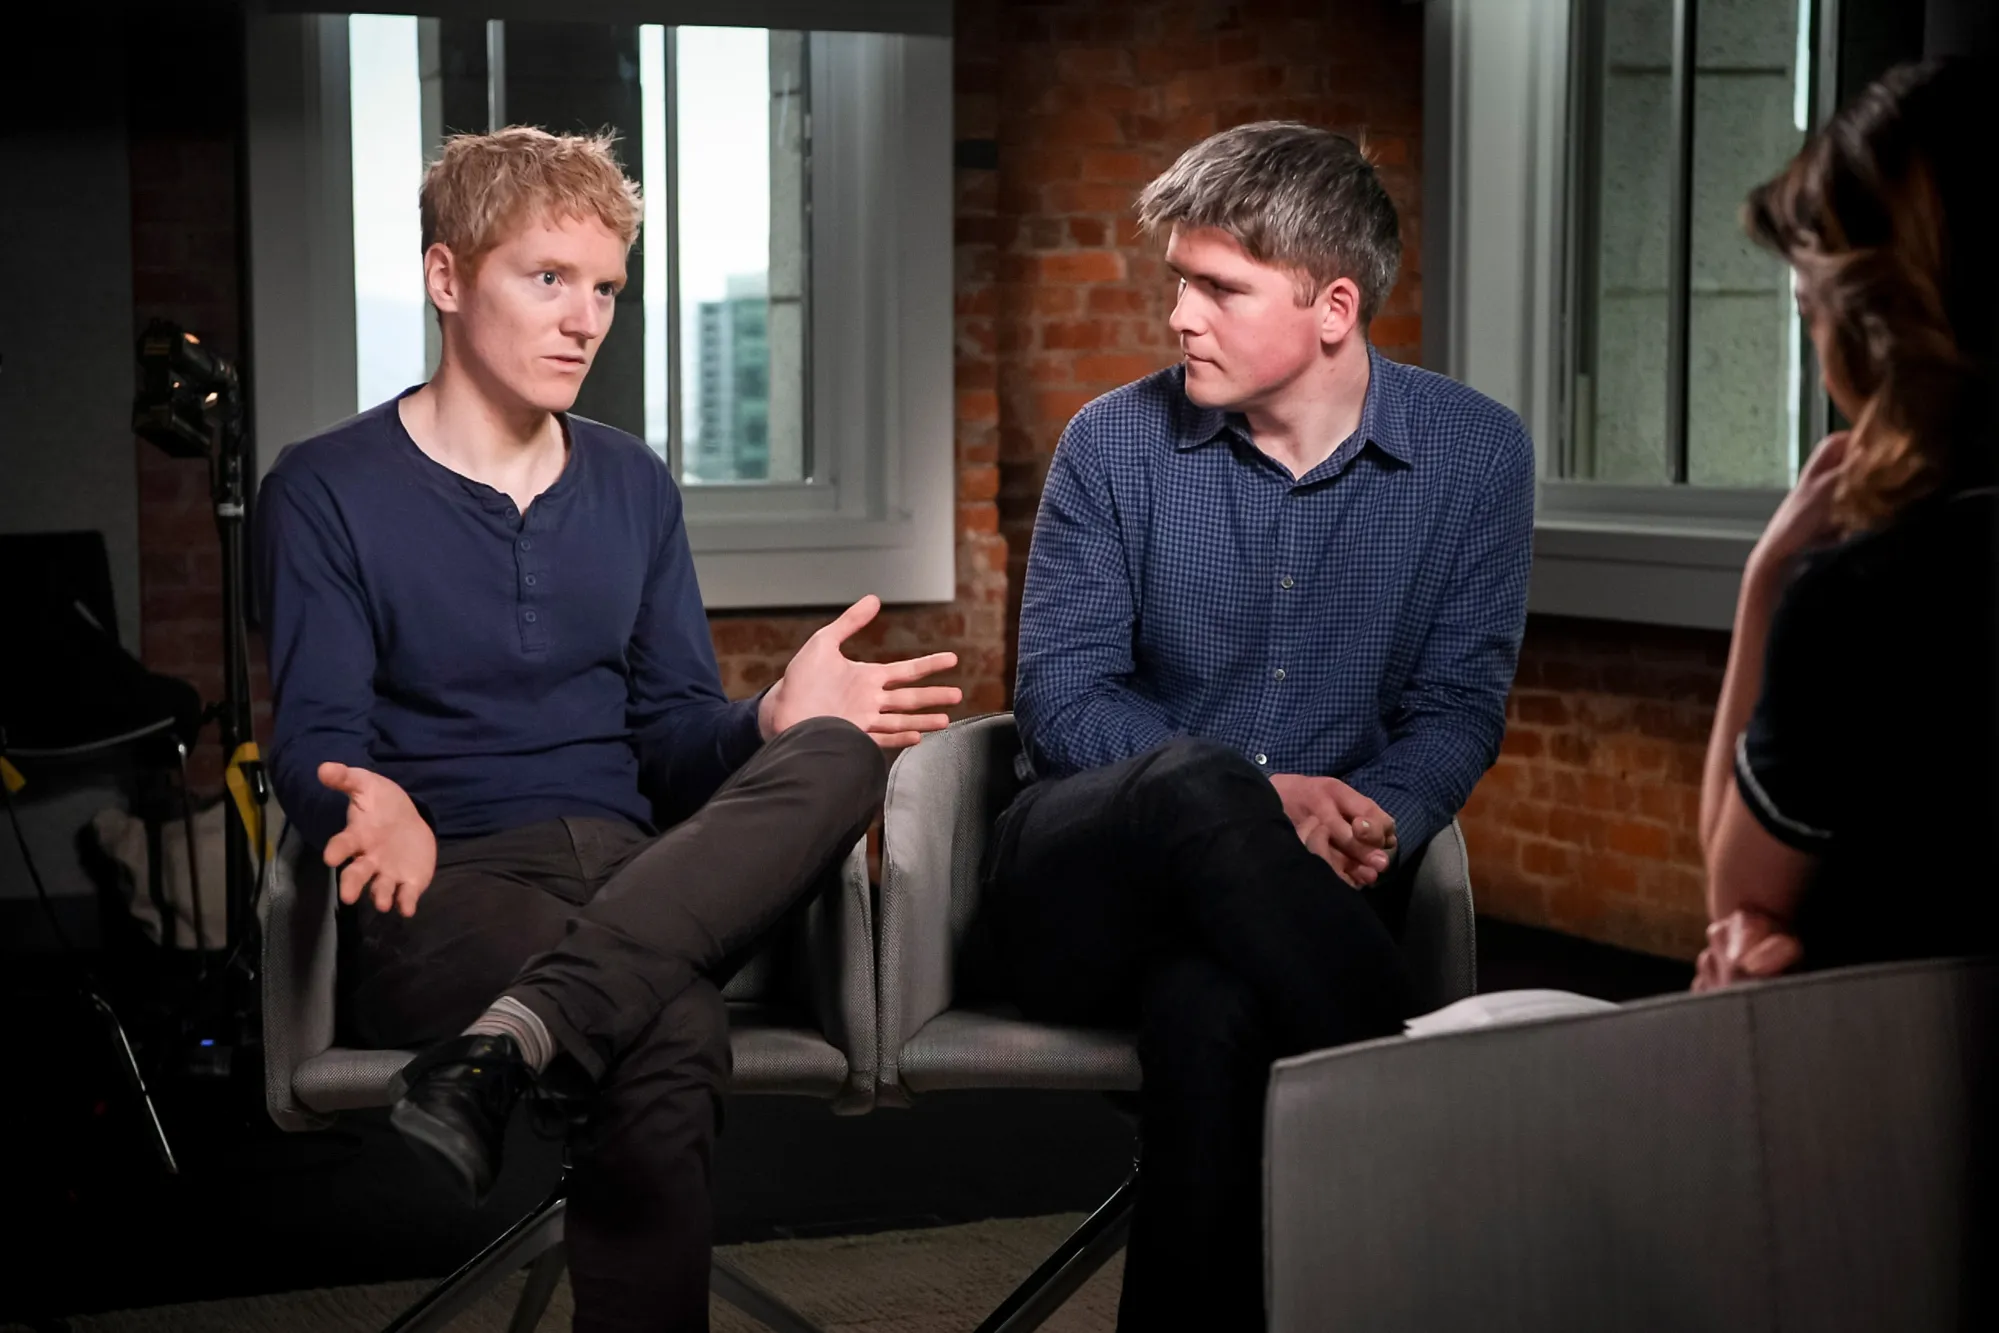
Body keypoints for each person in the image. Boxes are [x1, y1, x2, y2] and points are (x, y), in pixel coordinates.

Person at [256, 127, 961, 1332]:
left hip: (647, 868)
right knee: (670, 1020)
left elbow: (675, 738)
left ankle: (513, 1041)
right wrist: (357, 798)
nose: (584, 318)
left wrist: (769, 720)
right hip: (456, 881)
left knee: (837, 752)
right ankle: (534, 1034)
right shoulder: (324, 488)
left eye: (605, 289)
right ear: (444, 278)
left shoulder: (632, 481)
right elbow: (314, 737)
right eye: (547, 279)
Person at [988, 121, 1535, 1329]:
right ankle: (1445, 1127)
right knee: (1194, 787)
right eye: (1178, 282)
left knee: (1213, 1015)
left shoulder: (1475, 456)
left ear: (1333, 306)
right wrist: (1257, 789)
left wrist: (1374, 818)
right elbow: (1064, 699)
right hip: (1083, 879)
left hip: (1301, 897)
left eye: (1218, 288)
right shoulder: (1112, 445)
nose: (1180, 315)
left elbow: (1455, 706)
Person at [1694, 59, 1999, 992]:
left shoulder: (1862, 597)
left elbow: (1734, 895)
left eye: (1808, 313)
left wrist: (1767, 579)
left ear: (1870, 325)